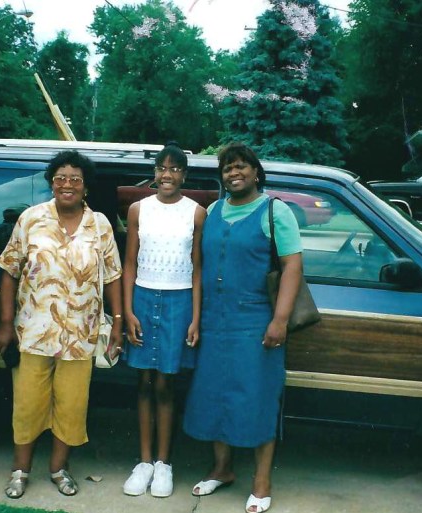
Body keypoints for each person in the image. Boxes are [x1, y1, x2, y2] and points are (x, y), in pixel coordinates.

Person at [0, 150, 123, 499]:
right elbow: (8, 271)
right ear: (52, 183)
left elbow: (113, 277)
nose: (67, 184)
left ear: (85, 187)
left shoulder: (100, 225)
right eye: (61, 178)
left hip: (81, 334)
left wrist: (119, 324)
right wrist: (5, 322)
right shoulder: (31, 219)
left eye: (75, 179)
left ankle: (58, 469)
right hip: (33, 332)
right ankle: (20, 471)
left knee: (71, 405)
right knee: (28, 404)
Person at [183, 142, 303, 513]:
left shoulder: (274, 212)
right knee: (214, 395)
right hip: (215, 322)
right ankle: (222, 469)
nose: (233, 174)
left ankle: (261, 481)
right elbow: (199, 267)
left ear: (256, 172)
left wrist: (279, 320)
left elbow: (292, 268)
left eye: (241, 167)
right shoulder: (214, 210)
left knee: (257, 400)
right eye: (227, 169)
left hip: (256, 323)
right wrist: (197, 319)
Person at [121, 143, 206, 498]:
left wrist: (196, 317)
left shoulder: (197, 213)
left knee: (166, 385)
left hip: (179, 301)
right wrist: (127, 312)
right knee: (143, 383)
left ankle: (163, 463)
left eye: (174, 169)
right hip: (142, 297)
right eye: (161, 168)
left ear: (184, 175)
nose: (166, 175)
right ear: (154, 172)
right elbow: (129, 264)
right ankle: (143, 462)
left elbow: (199, 268)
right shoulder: (138, 209)